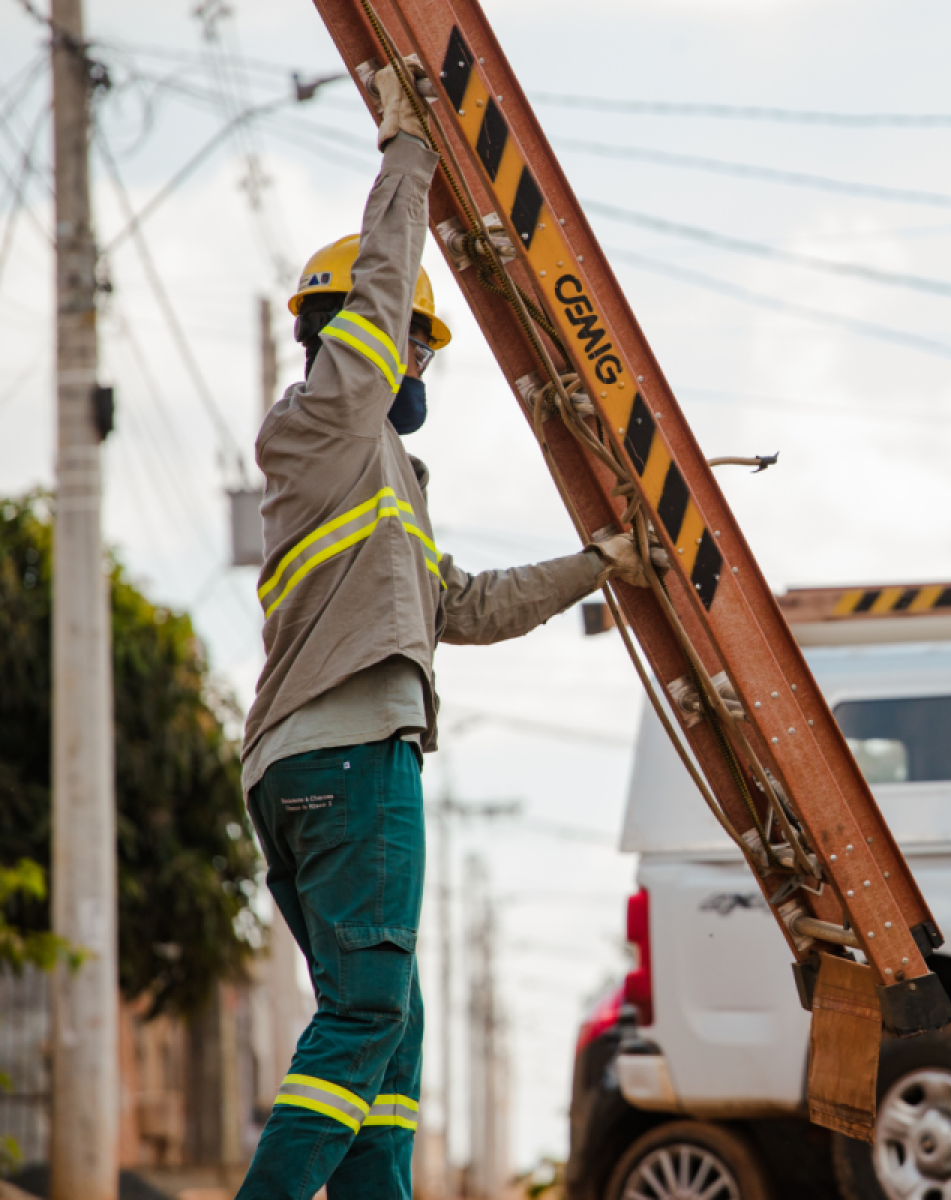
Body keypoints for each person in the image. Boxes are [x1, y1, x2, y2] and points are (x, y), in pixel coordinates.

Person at [235, 62, 657, 1200]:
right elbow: (376, 309)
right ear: (342, 333)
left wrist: (599, 566)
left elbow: (465, 607)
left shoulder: (381, 484)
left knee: (389, 1037)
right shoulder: (320, 420)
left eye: (418, 344)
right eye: (413, 341)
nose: (417, 358)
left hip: (312, 766)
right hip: (349, 756)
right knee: (372, 1009)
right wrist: (409, 152)